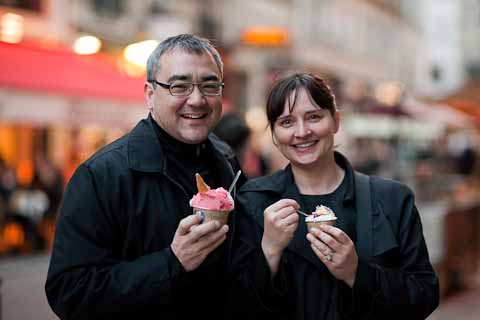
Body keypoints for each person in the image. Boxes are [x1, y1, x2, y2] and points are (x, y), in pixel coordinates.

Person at [45, 34, 247, 320]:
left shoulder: (226, 160)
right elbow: (70, 292)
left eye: (209, 85)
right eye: (179, 86)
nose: (197, 99)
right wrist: (171, 262)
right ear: (150, 95)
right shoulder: (102, 175)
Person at [233, 72, 439, 319]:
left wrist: (355, 273)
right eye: (287, 122)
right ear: (275, 134)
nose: (302, 132)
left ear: (336, 121)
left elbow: (425, 296)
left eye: (313, 117)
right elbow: (234, 307)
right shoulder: (252, 200)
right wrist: (269, 251)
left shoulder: (392, 199)